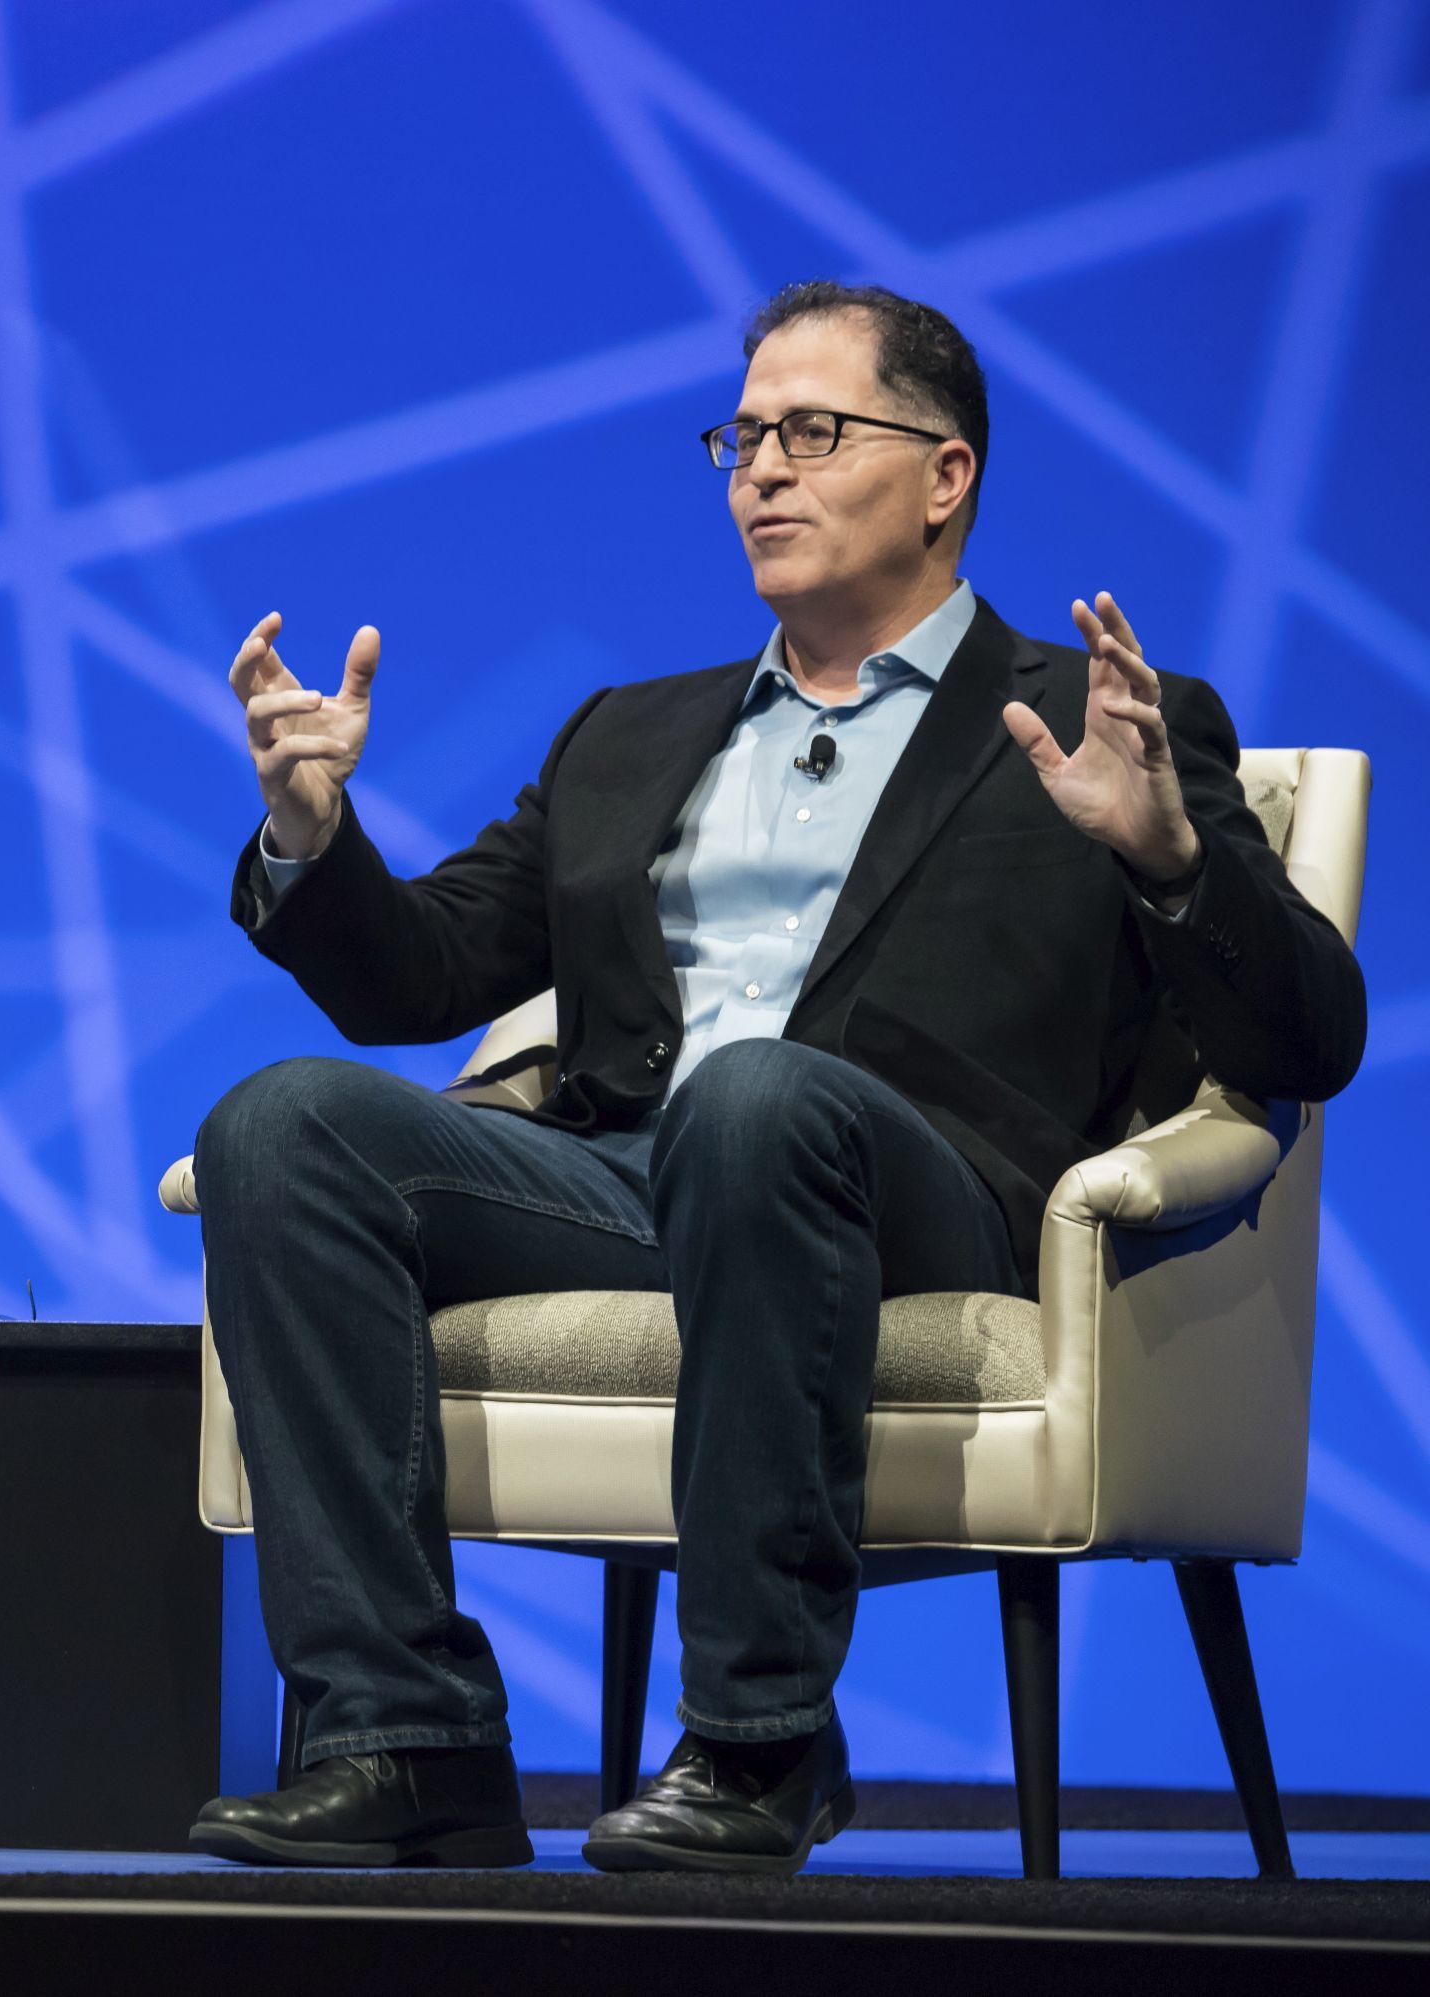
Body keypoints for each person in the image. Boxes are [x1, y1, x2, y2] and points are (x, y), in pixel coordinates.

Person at [184, 282, 1363, 1873]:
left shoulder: (1089, 724)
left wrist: (1170, 861)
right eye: (740, 439)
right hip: (635, 1173)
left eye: (812, 432)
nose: (761, 471)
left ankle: (760, 1739)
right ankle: (405, 1734)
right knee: (280, 1123)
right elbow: (423, 975)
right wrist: (313, 835)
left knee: (757, 1095)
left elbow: (1307, 1038)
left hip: (919, 1191)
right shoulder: (627, 735)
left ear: (946, 474)